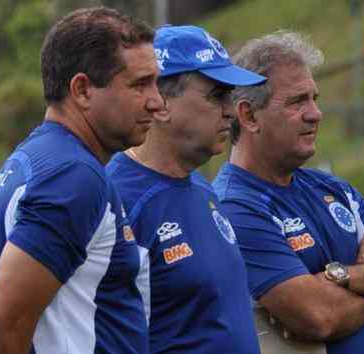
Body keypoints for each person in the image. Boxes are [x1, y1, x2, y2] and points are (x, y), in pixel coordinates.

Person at [0, 7, 164, 354]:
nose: (157, 101)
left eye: (156, 82)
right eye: (139, 84)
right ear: (82, 90)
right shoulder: (72, 178)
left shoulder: (30, 161)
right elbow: (1, 328)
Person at [212, 30, 364, 354]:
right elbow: (318, 316)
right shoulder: (235, 206)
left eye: (314, 98)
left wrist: (343, 275)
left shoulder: (330, 189)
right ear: (248, 115)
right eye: (297, 101)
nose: (315, 113)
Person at [106, 25, 266, 354]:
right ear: (161, 104)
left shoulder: (200, 188)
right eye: (216, 95)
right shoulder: (115, 201)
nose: (229, 109)